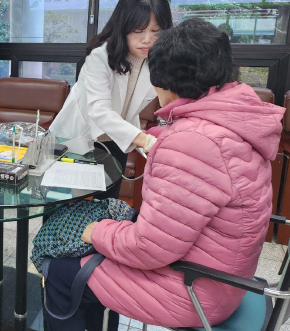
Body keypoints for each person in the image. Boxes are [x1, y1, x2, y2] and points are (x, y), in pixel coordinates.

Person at [44, 18, 285, 330]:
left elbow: (149, 248)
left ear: (165, 82)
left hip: (192, 289)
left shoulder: (193, 143)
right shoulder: (237, 121)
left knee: (60, 270)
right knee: (107, 231)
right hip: (225, 276)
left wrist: (97, 232)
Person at [50, 0, 173, 199]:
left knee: (106, 204)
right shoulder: (100, 57)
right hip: (79, 135)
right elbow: (99, 110)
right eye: (138, 31)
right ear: (123, 28)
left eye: (156, 31)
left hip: (119, 138)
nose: (147, 39)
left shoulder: (155, 60)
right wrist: (146, 140)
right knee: (65, 201)